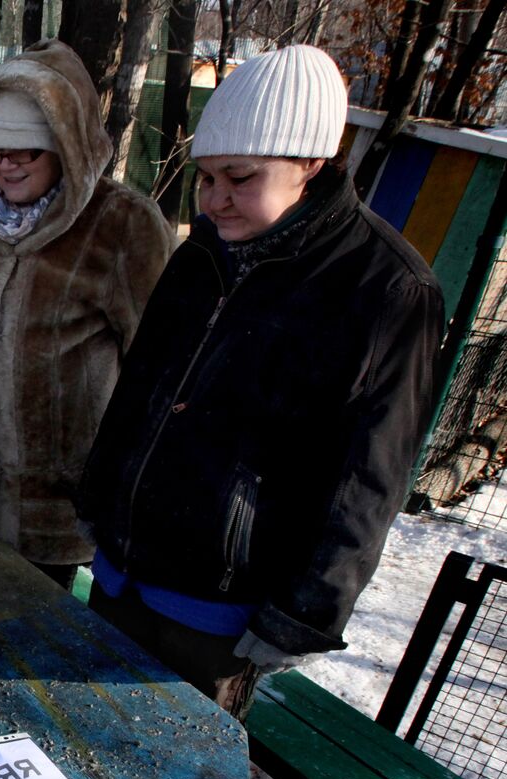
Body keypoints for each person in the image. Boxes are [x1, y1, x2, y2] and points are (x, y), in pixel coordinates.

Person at [76, 45, 444, 721]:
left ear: (312, 162)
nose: (214, 200)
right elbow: (138, 389)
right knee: (78, 743)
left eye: (239, 179)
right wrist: (100, 495)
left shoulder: (386, 289)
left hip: (218, 606)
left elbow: (370, 479)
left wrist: (302, 614)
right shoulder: (204, 251)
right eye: (206, 179)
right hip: (122, 570)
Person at [0, 39, 173, 590]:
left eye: (27, 150)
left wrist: (124, 484)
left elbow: (160, 372)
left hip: (55, 511)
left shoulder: (122, 227)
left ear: (65, 148)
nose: (6, 164)